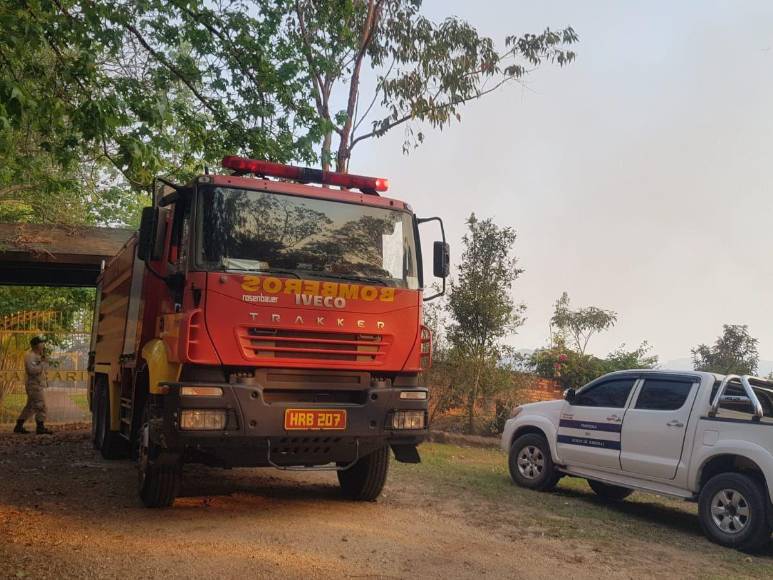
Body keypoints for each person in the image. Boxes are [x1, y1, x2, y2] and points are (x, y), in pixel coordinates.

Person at [13, 337, 53, 435]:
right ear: (36, 345)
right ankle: (40, 428)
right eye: (41, 343)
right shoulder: (30, 356)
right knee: (41, 406)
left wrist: (43, 361)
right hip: (33, 385)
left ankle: (18, 426)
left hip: (37, 384)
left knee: (30, 407)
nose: (43, 345)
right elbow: (32, 371)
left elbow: (44, 369)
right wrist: (42, 363)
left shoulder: (38, 355)